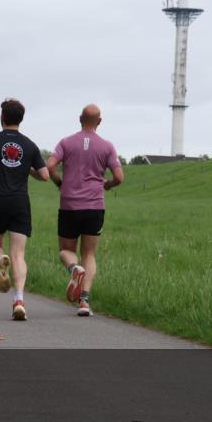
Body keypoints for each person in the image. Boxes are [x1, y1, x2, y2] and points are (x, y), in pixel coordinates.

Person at [0, 99, 49, 321]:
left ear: (2, 117)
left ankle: (0, 260)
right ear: (21, 119)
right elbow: (44, 175)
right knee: (19, 255)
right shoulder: (29, 145)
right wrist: (28, 170)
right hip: (20, 202)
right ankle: (19, 300)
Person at [46, 104, 124, 317]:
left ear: (80, 118)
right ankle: (84, 301)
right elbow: (119, 177)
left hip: (69, 205)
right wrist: (106, 185)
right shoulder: (107, 146)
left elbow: (50, 165)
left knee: (66, 250)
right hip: (94, 206)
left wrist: (59, 182)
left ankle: (73, 269)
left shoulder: (66, 142)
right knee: (89, 254)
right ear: (100, 121)